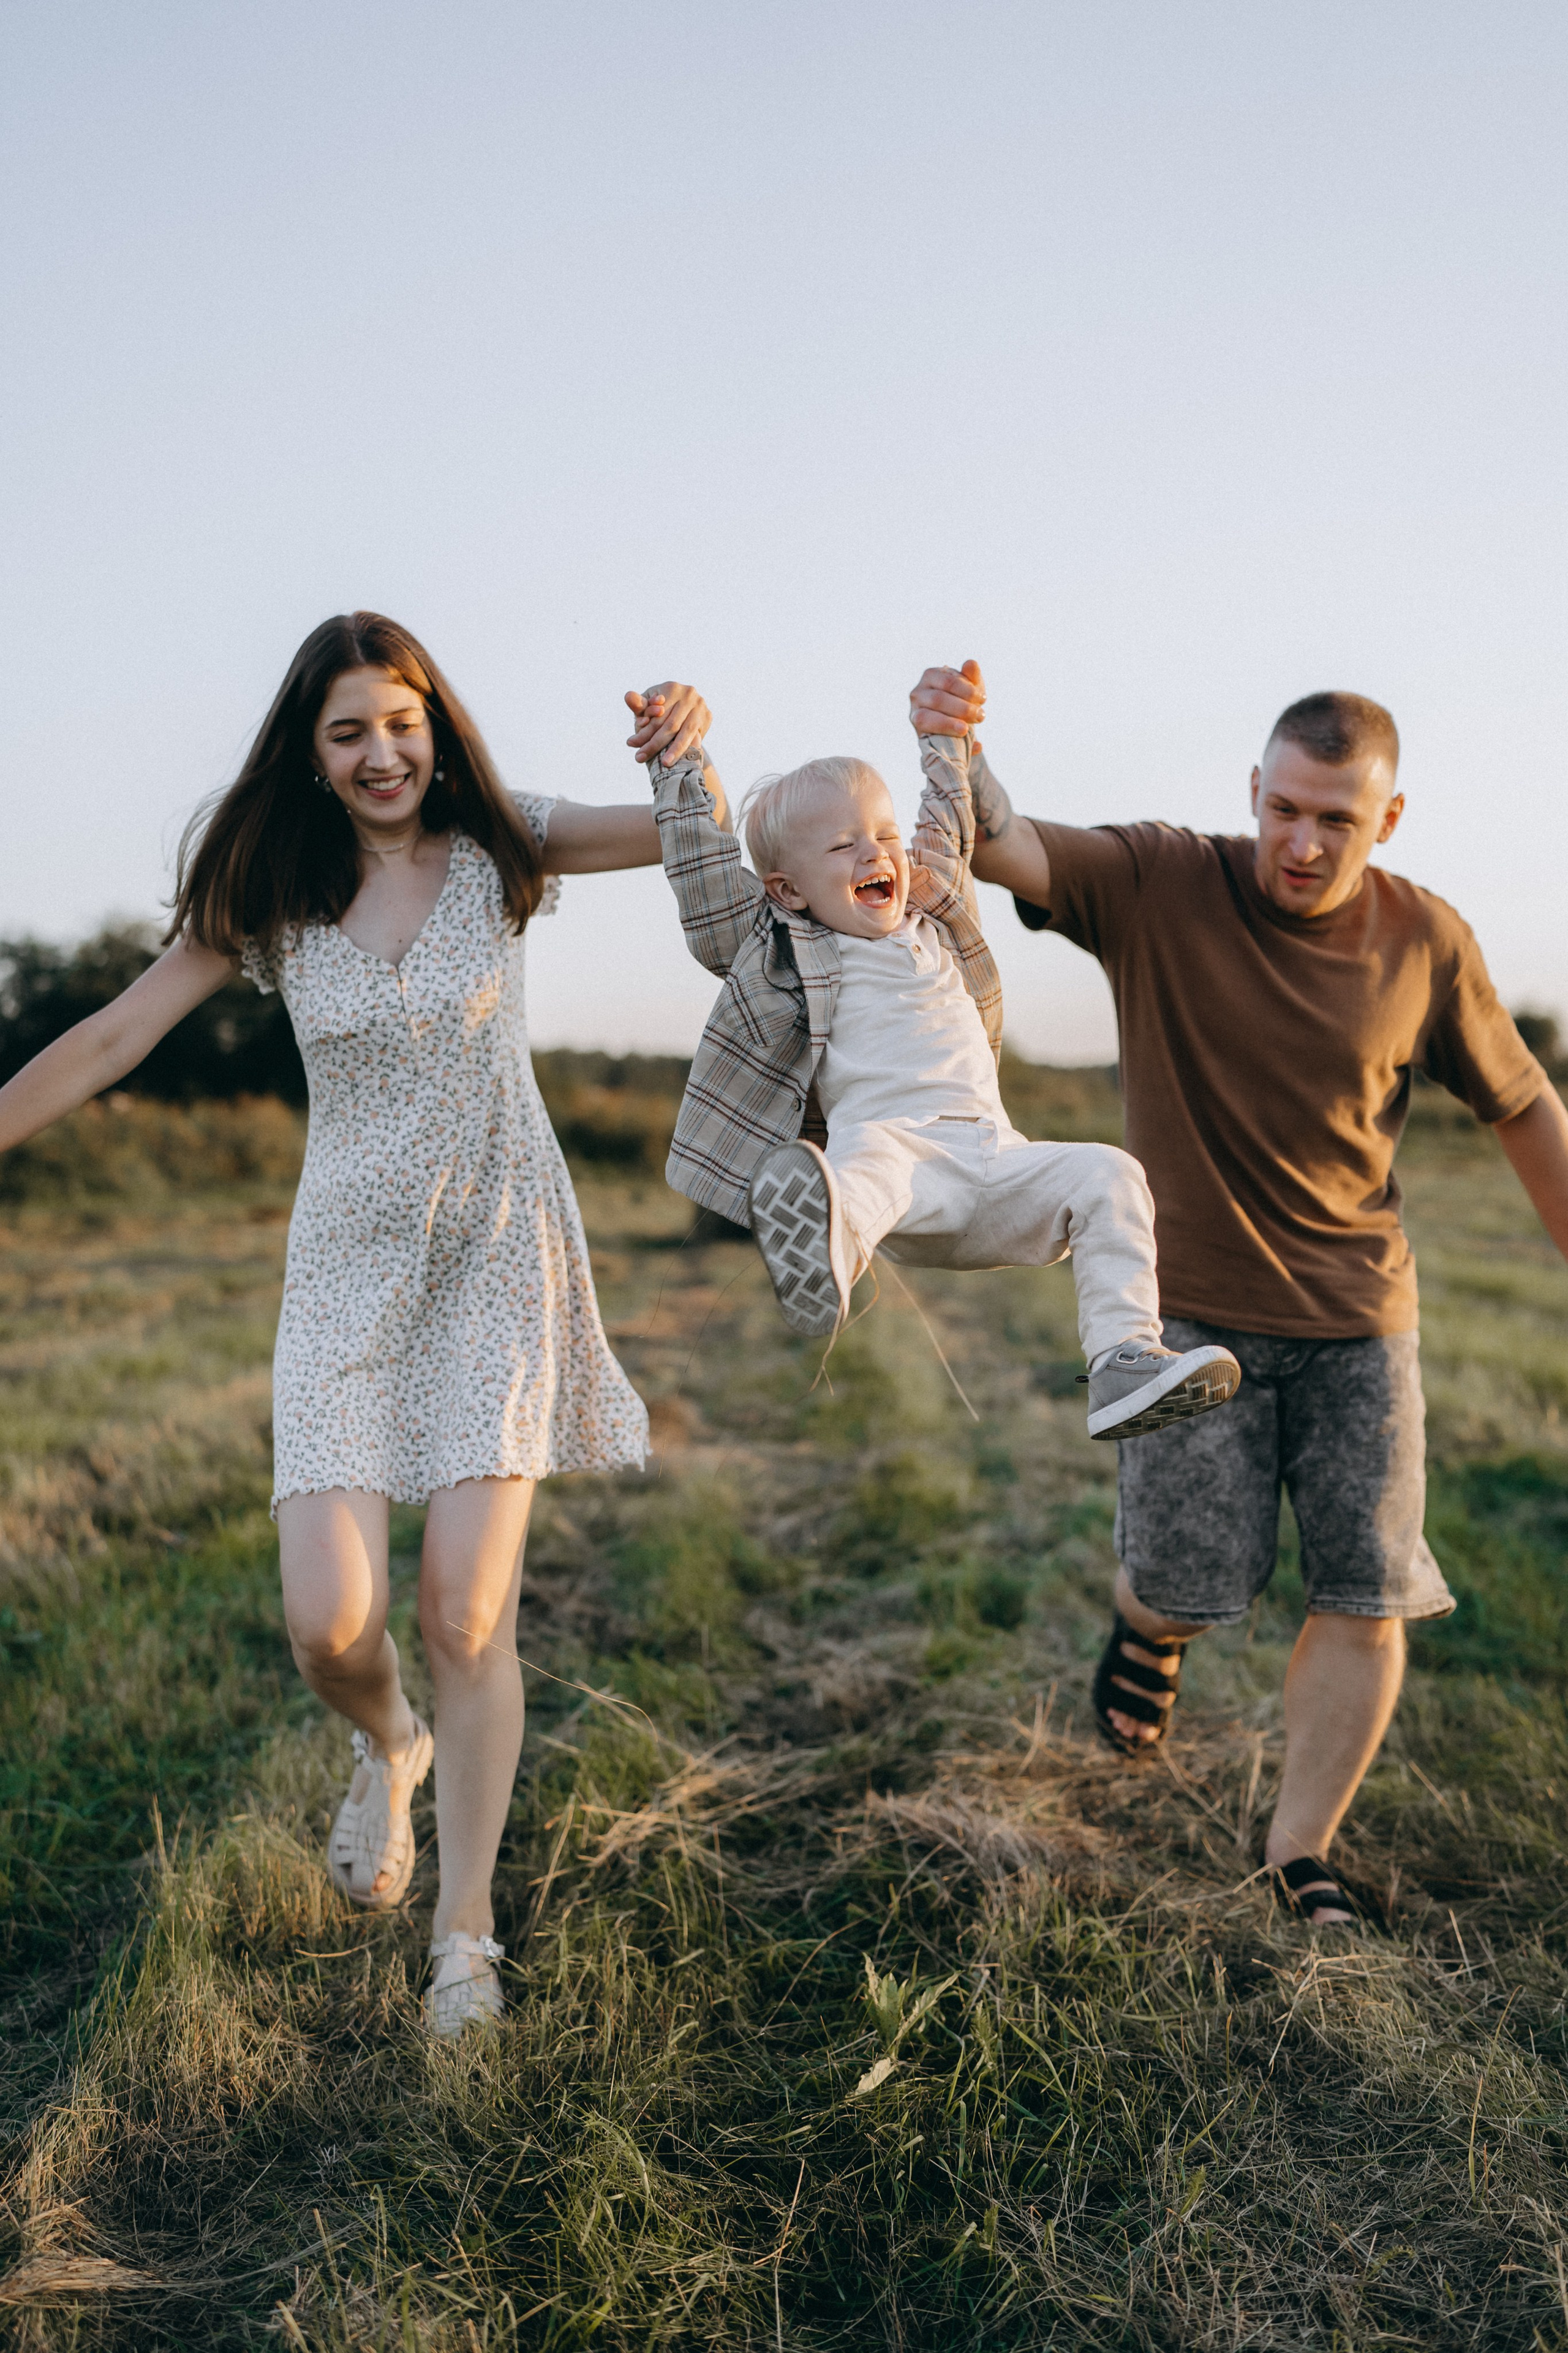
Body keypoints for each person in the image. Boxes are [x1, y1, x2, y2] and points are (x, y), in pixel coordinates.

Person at [0, 612, 718, 2033]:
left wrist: (686, 756)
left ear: (433, 725)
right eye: (348, 731)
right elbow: (112, 1036)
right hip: (345, 1271)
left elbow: (677, 834)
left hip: (498, 1254)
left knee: (464, 1607)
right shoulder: (272, 887)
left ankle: (464, 1937)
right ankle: (383, 1741)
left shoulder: (504, 842)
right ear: (310, 752)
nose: (381, 751)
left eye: (400, 722)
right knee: (331, 1623)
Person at [910, 660, 1568, 1925]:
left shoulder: (1423, 941)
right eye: (1283, 809)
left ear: (1385, 819)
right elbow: (1003, 844)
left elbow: (1520, 1100)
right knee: (1185, 1584)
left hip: (1358, 1321)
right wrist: (956, 745)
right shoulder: (1162, 880)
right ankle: (1147, 1631)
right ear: (1250, 792)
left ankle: (1297, 1852)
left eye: (1335, 818)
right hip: (1189, 1322)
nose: (1302, 842)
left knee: (1365, 1591)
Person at [635, 687, 1243, 1441]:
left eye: (883, 834)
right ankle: (827, 1256)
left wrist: (942, 737)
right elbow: (705, 886)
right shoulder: (781, 946)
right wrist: (678, 761)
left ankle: (1123, 1358)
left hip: (995, 1163)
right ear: (789, 889)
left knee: (1111, 1174)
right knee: (866, 1160)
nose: (875, 853)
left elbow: (947, 817)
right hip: (899, 1167)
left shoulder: (937, 911)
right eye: (841, 846)